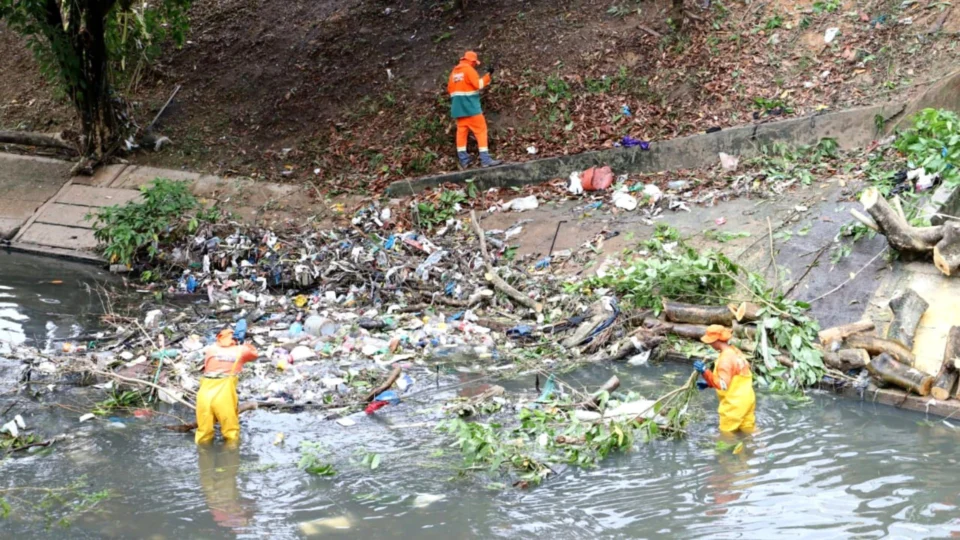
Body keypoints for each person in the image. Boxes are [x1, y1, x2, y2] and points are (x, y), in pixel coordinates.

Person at [195, 328, 259, 444]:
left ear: (219, 338)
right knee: (230, 433)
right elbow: (254, 354)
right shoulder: (241, 350)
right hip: (224, 396)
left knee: (203, 432)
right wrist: (244, 344)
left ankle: (202, 453)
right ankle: (231, 454)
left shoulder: (211, 349)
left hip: (204, 394)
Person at [693, 325, 756, 433]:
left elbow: (723, 385)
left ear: (716, 341)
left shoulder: (725, 359)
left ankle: (727, 444)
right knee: (749, 429)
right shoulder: (735, 351)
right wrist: (709, 383)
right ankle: (760, 444)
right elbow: (735, 375)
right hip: (747, 399)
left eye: (710, 341)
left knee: (726, 433)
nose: (710, 344)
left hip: (734, 404)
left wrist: (705, 371)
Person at [447, 50, 502, 169]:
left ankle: (464, 160)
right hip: (471, 108)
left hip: (458, 110)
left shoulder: (454, 72)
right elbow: (478, 84)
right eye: (475, 63)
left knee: (461, 134)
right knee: (481, 131)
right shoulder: (469, 70)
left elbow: (450, 89)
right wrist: (488, 76)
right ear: (472, 61)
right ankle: (485, 159)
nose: (475, 65)